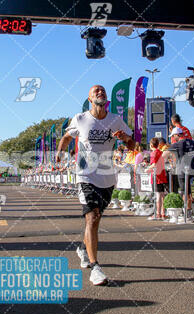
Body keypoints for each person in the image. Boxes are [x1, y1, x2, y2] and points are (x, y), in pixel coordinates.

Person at [56, 85, 134, 286]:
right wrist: (60, 152)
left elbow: (133, 145)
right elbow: (66, 137)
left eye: (102, 90)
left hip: (107, 178)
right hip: (86, 175)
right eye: (95, 91)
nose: (100, 92)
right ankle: (95, 267)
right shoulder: (81, 119)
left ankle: (83, 249)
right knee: (92, 216)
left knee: (97, 219)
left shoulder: (115, 119)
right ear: (89, 99)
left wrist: (126, 139)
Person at [165, 128, 194, 213]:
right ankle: (189, 210)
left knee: (184, 191)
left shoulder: (178, 144)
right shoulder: (192, 142)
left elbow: (165, 154)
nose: (173, 138)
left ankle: (187, 212)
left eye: (173, 136)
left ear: (177, 135)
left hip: (183, 169)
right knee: (188, 190)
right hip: (193, 168)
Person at [146, 137, 168, 219]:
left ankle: (157, 213)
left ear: (151, 144)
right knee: (162, 195)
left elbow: (154, 164)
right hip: (162, 175)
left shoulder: (153, 153)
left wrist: (147, 169)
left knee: (158, 195)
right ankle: (162, 213)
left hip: (156, 176)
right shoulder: (160, 152)